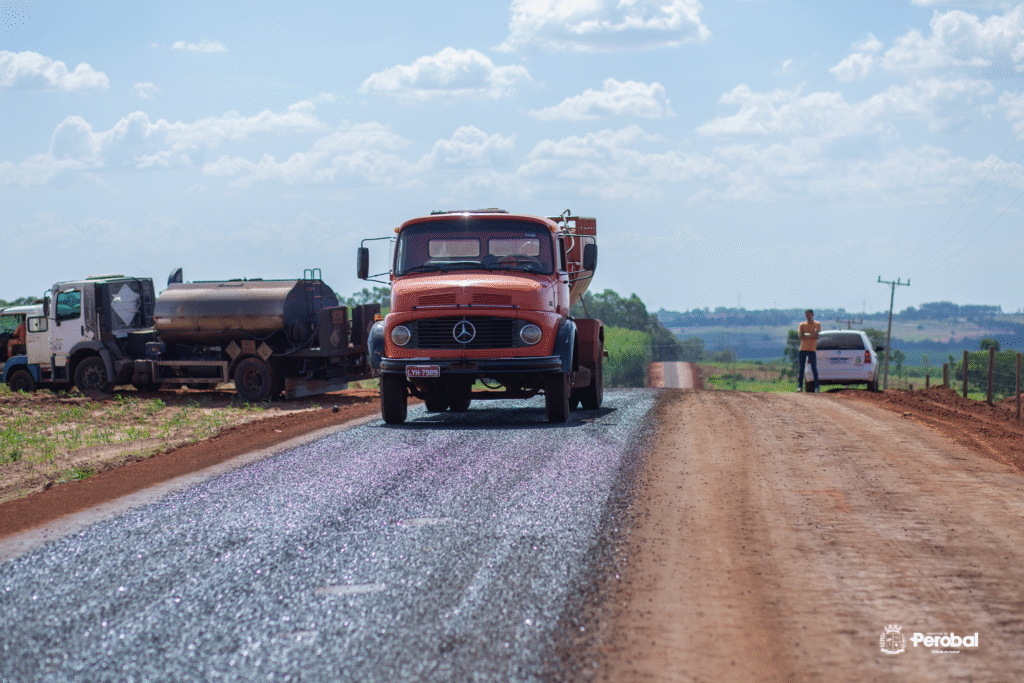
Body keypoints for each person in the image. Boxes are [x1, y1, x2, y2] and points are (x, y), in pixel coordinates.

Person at [797, 309, 820, 392]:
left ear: (813, 315)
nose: (808, 316)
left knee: (814, 369)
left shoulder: (817, 324)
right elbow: (800, 336)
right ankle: (800, 387)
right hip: (802, 349)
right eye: (807, 314)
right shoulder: (802, 324)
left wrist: (805, 335)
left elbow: (816, 335)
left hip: (812, 349)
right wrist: (811, 335)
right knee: (801, 369)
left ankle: (817, 387)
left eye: (809, 314)